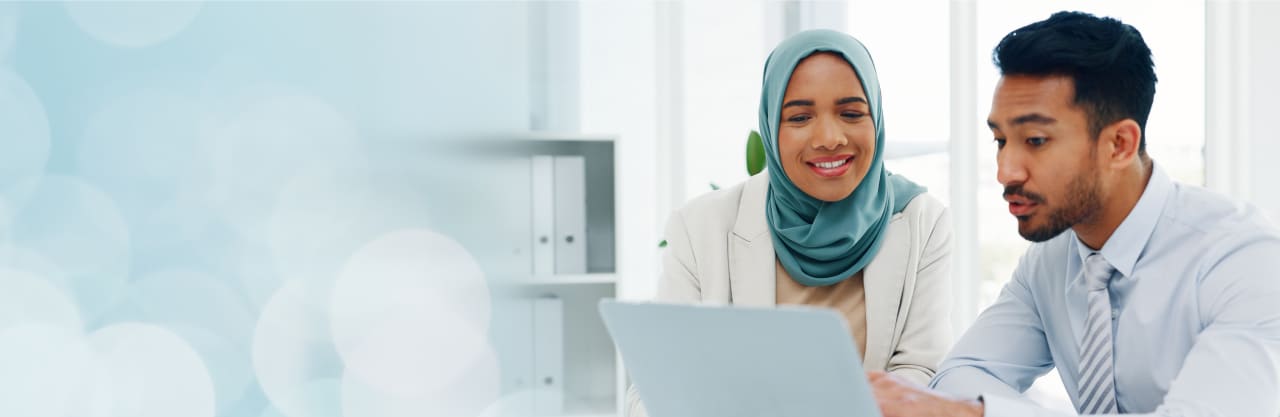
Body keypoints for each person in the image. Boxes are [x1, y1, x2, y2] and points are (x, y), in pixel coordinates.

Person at [868, 11, 1280, 417]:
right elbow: (963, 374)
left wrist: (976, 414)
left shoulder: (1244, 258)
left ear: (1119, 144)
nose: (1005, 171)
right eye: (1000, 140)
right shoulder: (1051, 261)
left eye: (1035, 140)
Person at [626, 29, 953, 417]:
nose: (830, 138)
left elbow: (922, 371)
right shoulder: (700, 227)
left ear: (876, 117)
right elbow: (653, 389)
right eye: (799, 117)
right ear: (770, 125)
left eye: (851, 113)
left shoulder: (921, 220)